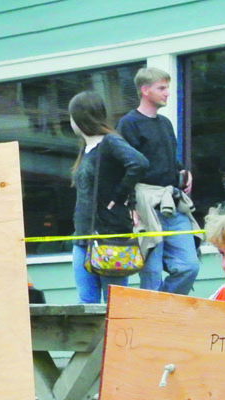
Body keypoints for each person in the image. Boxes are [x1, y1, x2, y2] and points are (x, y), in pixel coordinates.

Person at [116, 67, 200, 295]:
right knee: (151, 272)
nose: (167, 93)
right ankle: (153, 314)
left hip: (171, 201)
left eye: (167, 88)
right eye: (161, 88)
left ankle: (162, 305)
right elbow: (124, 169)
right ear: (145, 90)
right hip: (144, 203)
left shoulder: (165, 123)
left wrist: (184, 171)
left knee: (189, 266)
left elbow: (170, 160)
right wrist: (131, 208)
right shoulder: (128, 124)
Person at [68, 91, 147, 304]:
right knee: (86, 303)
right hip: (83, 236)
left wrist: (120, 196)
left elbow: (138, 163)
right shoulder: (86, 148)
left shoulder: (110, 142)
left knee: (116, 304)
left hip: (110, 235)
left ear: (80, 117)